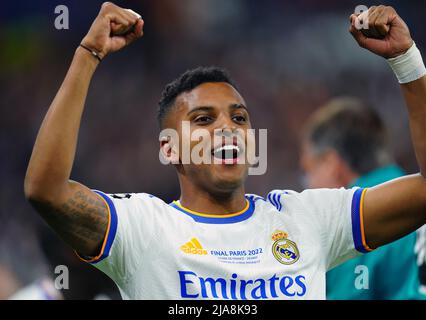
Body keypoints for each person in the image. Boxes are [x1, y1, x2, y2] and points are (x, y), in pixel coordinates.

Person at [24, 3, 426, 299]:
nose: (226, 129)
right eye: (202, 120)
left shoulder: (308, 219)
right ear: (169, 149)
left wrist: (407, 63)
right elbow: (46, 189)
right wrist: (87, 56)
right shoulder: (142, 228)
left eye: (239, 118)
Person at [300, 97, 426, 299]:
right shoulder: (416, 192)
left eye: (308, 171)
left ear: (331, 165)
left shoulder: (352, 221)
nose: (307, 184)